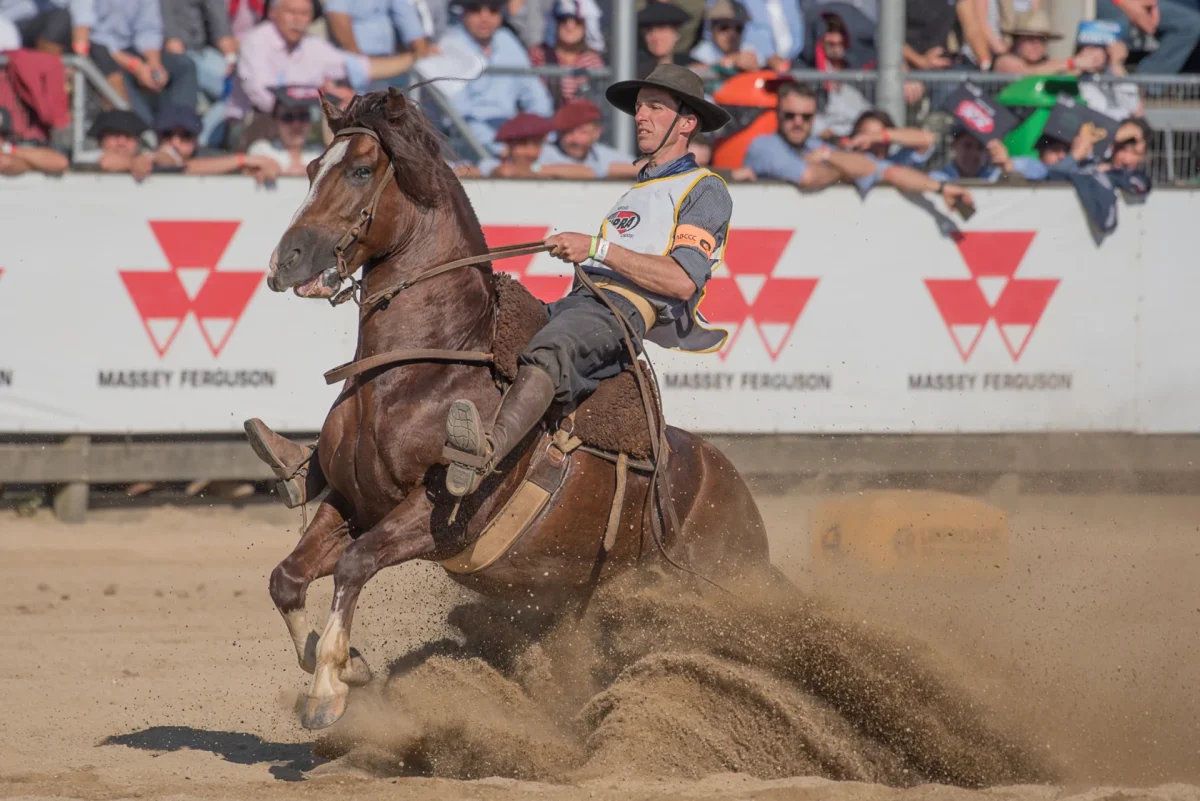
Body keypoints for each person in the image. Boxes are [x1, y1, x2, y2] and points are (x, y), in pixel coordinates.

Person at [243, 65, 737, 505]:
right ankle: (323, 462)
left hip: (621, 313)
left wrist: (596, 248)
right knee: (480, 334)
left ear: (686, 122)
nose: (641, 116)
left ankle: (485, 450)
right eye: (640, 106)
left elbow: (678, 280)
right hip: (579, 302)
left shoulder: (704, 190)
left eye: (655, 106)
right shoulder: (643, 186)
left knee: (551, 351)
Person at [227, 0, 415, 143]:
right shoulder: (256, 41)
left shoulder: (313, 46)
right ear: (273, 13)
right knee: (303, 113)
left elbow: (362, 67)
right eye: (291, 12)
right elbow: (265, 98)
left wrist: (414, 58)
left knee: (344, 106)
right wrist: (323, 96)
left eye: (304, 14)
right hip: (251, 125)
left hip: (301, 123)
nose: (297, 20)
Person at [438, 0, 553, 156]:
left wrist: (540, 131)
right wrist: (501, 149)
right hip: (465, 147)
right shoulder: (449, 45)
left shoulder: (506, 39)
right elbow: (459, 115)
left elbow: (535, 94)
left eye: (493, 10)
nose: (485, 18)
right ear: (463, 11)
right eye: (476, 9)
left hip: (514, 140)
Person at [87, 0, 200, 126]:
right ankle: (146, 135)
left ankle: (180, 132)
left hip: (135, 51)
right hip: (99, 54)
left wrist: (154, 63)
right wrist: (136, 66)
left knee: (184, 66)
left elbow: (148, 29)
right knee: (124, 86)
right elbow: (90, 36)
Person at [147, 103, 281, 182]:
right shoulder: (147, 156)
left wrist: (264, 168)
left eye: (185, 135)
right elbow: (181, 167)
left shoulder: (210, 155)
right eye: (167, 135)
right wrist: (242, 160)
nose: (175, 142)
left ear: (196, 138)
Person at [528, 0, 606, 108]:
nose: (570, 26)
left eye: (577, 20)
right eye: (563, 19)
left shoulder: (593, 60)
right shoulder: (538, 54)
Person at [536, 98, 639, 178]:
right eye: (568, 133)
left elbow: (641, 167)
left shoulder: (600, 153)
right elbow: (526, 168)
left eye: (582, 132)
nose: (575, 140)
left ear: (597, 132)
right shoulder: (544, 152)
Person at [993, 8, 1106, 74]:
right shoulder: (1005, 60)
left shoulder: (1046, 63)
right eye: (1030, 39)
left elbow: (1063, 71)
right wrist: (1074, 63)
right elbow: (1028, 73)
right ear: (1017, 41)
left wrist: (1090, 60)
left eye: (1042, 40)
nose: (1036, 45)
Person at [246, 87, 326, 175]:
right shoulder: (262, 149)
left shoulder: (319, 153)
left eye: (303, 116)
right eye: (288, 117)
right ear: (276, 121)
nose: (297, 124)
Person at [689, 0, 760, 73]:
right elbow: (694, 72)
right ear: (711, 29)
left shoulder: (748, 49)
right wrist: (729, 62)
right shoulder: (700, 53)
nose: (732, 34)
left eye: (739, 28)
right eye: (724, 27)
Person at [0, 0, 92, 54]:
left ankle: (49, 75)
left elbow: (82, 23)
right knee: (60, 18)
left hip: (49, 34)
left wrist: (80, 58)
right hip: (9, 29)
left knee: (99, 52)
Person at [0, 107, 68, 175]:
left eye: (2, 134)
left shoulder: (14, 146)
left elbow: (61, 163)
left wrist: (8, 149)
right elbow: (3, 163)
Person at [636, 2, 693, 77]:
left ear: (676, 33)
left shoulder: (690, 66)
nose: (656, 36)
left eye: (662, 29)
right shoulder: (634, 70)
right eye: (649, 30)